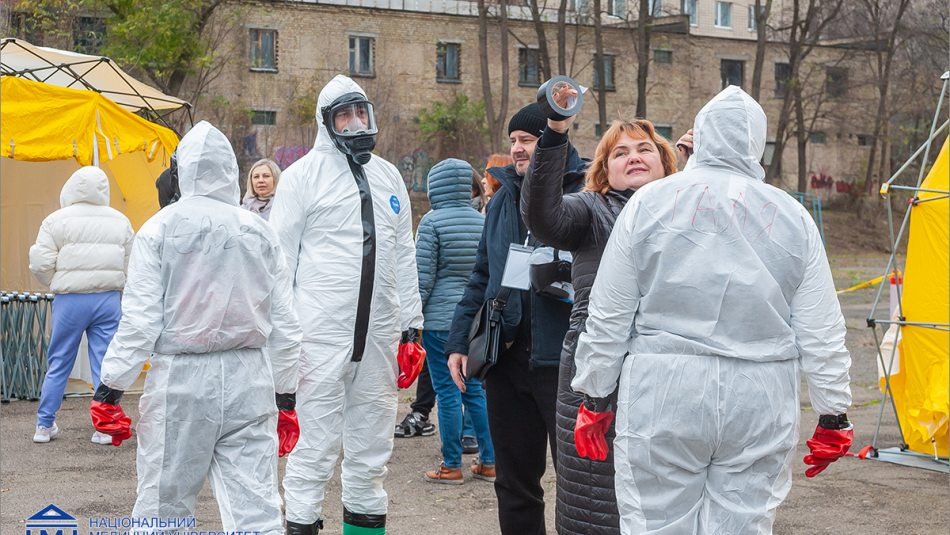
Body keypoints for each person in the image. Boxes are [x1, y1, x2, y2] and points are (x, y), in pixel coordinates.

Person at [572, 86, 853, 534]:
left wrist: (594, 394)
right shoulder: (791, 215)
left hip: (664, 390)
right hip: (760, 392)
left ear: (699, 136)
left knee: (655, 522)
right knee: (743, 524)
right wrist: (833, 412)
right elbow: (821, 326)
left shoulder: (651, 202)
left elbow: (610, 312)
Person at [89, 121, 303, 534]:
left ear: (180, 170)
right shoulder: (258, 230)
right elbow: (285, 324)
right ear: (230, 169)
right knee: (256, 510)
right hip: (250, 378)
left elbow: (140, 320)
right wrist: (286, 396)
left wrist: (110, 388)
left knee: (163, 508)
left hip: (181, 383)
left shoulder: (159, 229)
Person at [271, 74, 425, 535]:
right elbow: (279, 265)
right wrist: (283, 343)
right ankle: (301, 523)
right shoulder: (302, 178)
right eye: (345, 115)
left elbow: (404, 252)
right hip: (318, 339)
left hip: (378, 339)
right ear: (326, 122)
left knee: (372, 452)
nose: (356, 123)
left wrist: (411, 327)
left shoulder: (388, 175)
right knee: (311, 451)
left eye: (362, 113)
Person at [521, 110, 681, 534]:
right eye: (620, 152)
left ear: (666, 162)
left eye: (645, 149)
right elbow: (541, 214)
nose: (634, 157)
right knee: (596, 504)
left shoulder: (687, 212)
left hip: (671, 373)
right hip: (595, 380)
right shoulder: (590, 211)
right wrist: (555, 135)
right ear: (604, 171)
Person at [445, 102, 579, 534]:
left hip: (568, 364)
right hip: (506, 360)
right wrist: (459, 341)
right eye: (513, 141)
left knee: (581, 484)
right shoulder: (502, 197)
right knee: (515, 484)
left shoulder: (583, 191)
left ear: (553, 142)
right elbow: (482, 273)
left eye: (526, 140)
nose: (516, 149)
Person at [28, 166, 134, 444]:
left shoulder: (55, 220)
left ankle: (44, 424)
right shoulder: (119, 220)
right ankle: (104, 427)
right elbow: (131, 262)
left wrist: (55, 281)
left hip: (70, 299)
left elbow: (40, 263)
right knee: (105, 362)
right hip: (108, 299)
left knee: (60, 360)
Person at [416, 158, 496, 485]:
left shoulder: (431, 223)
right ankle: (490, 461)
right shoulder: (483, 221)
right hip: (474, 320)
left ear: (435, 185)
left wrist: (412, 317)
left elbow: (423, 278)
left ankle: (451, 465)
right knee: (475, 389)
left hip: (438, 322)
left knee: (448, 392)